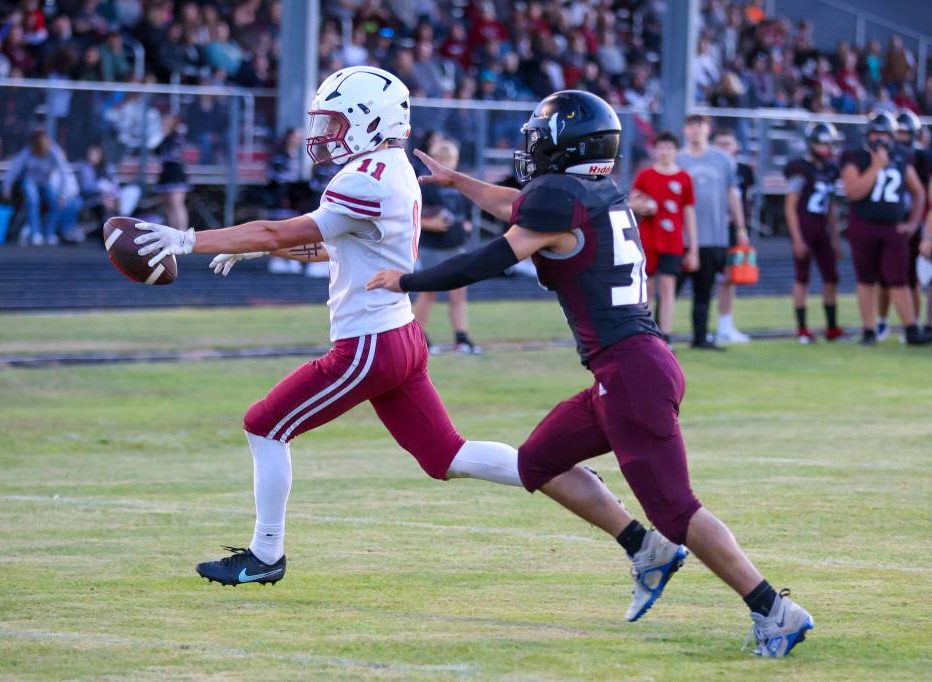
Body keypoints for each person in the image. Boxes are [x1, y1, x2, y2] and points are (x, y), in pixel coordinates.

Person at [133, 70, 684, 624]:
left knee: (263, 424)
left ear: (372, 120)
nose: (325, 132)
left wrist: (189, 240)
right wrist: (252, 250)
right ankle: (620, 524)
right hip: (400, 337)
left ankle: (265, 555)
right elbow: (342, 246)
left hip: (369, 343)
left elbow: (288, 232)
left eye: (335, 121)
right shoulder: (390, 168)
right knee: (447, 456)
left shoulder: (367, 175)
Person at [367, 91, 814, 657]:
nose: (531, 145)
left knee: (677, 510)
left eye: (540, 134)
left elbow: (492, 257)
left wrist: (405, 281)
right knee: (538, 462)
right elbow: (518, 208)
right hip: (626, 368)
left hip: (630, 372)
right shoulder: (589, 190)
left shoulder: (559, 195)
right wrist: (459, 183)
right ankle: (644, 549)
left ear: (565, 144)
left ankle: (774, 610)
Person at [840, 111, 929, 345]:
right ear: (867, 134)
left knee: (899, 279)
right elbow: (853, 192)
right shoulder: (855, 157)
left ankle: (910, 328)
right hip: (864, 224)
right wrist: (876, 165)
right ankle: (869, 330)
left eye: (884, 133)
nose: (880, 138)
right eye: (875, 132)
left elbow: (919, 192)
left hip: (892, 227)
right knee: (866, 279)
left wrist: (912, 223)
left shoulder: (902, 157)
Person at [676, 115, 749, 350]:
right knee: (669, 289)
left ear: (708, 130)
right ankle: (658, 338)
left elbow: (732, 194)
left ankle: (700, 337)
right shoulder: (677, 160)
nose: (695, 131)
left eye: (699, 126)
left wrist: (740, 227)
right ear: (685, 130)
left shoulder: (723, 160)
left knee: (705, 290)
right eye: (690, 126)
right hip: (680, 237)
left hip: (713, 236)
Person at [629, 131, 698, 345]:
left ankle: (665, 338)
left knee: (668, 288)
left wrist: (693, 248)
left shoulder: (683, 178)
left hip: (672, 241)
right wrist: (645, 206)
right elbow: (631, 203)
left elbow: (689, 212)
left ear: (676, 151)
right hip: (648, 240)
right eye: (661, 148)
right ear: (655, 150)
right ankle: (646, 336)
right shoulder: (645, 175)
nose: (665, 152)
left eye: (669, 148)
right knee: (647, 288)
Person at [783, 123, 849, 343]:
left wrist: (836, 238)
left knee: (831, 278)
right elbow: (790, 206)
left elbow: (830, 207)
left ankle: (831, 327)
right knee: (802, 279)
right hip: (805, 228)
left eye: (828, 143)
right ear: (811, 144)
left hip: (822, 230)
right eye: (821, 143)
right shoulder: (800, 169)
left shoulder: (830, 169)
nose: (825, 148)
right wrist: (797, 238)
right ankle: (801, 329)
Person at [414, 138, 481, 354]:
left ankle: (461, 337)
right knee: (428, 293)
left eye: (449, 159)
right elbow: (412, 215)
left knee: (459, 294)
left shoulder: (459, 184)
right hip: (432, 247)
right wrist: (428, 222)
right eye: (441, 159)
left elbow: (467, 214)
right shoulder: (424, 185)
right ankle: (419, 336)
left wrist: (465, 225)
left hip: (456, 245)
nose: (446, 163)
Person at [875, 110, 929, 339]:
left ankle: (913, 324)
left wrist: (919, 225)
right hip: (892, 220)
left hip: (916, 221)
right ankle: (882, 321)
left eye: (906, 133)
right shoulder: (887, 154)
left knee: (911, 278)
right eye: (899, 132)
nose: (902, 137)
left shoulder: (922, 158)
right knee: (884, 277)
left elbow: (922, 194)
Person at [712, 129, 754, 344]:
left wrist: (741, 227)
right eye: (720, 144)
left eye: (727, 144)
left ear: (736, 146)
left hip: (732, 228)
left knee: (730, 277)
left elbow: (744, 198)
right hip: (710, 228)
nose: (724, 149)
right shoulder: (710, 168)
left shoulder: (744, 170)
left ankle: (725, 325)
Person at [1, 130, 75, 246]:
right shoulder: (27, 152)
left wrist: (63, 194)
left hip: (46, 181)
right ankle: (36, 233)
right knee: (33, 201)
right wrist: (6, 187)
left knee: (55, 204)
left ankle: (49, 233)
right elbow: (14, 170)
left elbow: (64, 173)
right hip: (30, 180)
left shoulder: (55, 152)